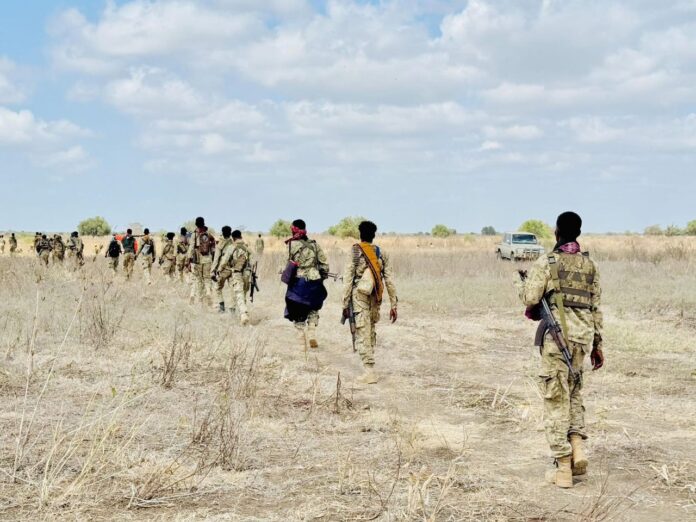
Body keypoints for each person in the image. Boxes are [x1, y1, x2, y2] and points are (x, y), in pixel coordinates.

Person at [514, 211, 604, 489]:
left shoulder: (548, 262)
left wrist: (519, 284)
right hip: (582, 340)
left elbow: (530, 298)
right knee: (574, 393)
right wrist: (598, 345)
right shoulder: (590, 265)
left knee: (555, 400)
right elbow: (595, 308)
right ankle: (577, 447)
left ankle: (563, 467)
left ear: (557, 232)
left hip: (557, 340)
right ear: (578, 233)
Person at [342, 221, 398, 384]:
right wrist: (393, 304)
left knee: (362, 330)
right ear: (373, 235)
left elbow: (348, 278)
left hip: (359, 295)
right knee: (370, 328)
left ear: (360, 234)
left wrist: (344, 303)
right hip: (375, 295)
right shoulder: (381, 253)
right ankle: (369, 365)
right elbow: (389, 280)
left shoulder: (355, 251)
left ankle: (369, 371)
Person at [282, 219, 329, 350]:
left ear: (294, 230)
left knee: (297, 310)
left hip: (298, 282)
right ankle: (312, 331)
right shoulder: (315, 245)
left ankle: (302, 342)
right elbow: (324, 265)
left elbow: (285, 265)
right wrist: (321, 277)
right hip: (315, 280)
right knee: (314, 306)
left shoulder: (291, 245)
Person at [187, 217, 215, 304]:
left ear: (196, 224)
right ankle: (208, 293)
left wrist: (188, 260)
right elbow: (213, 248)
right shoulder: (208, 234)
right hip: (208, 259)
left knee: (198, 279)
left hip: (197, 260)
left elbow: (191, 248)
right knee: (207, 278)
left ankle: (198, 298)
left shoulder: (194, 235)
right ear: (204, 223)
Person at [212, 226, 234, 313]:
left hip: (223, 269)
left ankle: (222, 307)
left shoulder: (220, 244)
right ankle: (232, 308)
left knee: (218, 287)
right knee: (232, 289)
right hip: (233, 268)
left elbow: (216, 259)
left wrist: (213, 271)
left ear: (222, 233)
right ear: (230, 233)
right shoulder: (233, 243)